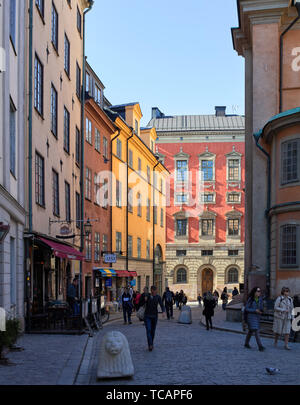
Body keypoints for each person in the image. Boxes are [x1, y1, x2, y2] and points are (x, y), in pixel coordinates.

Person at [138, 285, 165, 351]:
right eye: (152, 291)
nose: (154, 292)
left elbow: (161, 304)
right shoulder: (147, 296)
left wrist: (163, 311)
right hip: (147, 316)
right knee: (148, 330)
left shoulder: (158, 297)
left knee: (153, 331)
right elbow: (140, 304)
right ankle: (150, 345)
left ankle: (151, 343)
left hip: (155, 316)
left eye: (155, 291)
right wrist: (144, 300)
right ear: (151, 290)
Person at [244, 286, 265, 351]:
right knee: (256, 330)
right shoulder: (251, 299)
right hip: (251, 317)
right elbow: (246, 309)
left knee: (250, 331)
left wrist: (261, 310)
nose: (259, 293)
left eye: (260, 291)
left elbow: (261, 307)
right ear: (254, 292)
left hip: (257, 317)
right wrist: (254, 310)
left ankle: (246, 343)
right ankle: (260, 346)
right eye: (258, 291)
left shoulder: (260, 299)